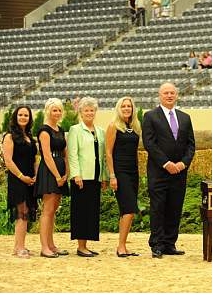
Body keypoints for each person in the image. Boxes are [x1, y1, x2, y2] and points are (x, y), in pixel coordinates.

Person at [142, 82, 195, 258]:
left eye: (172, 93)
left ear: (177, 95)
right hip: (159, 172)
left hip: (179, 172)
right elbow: (149, 143)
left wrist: (182, 164)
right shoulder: (150, 116)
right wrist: (166, 163)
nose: (169, 95)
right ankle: (156, 244)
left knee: (174, 207)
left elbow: (191, 146)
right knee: (158, 208)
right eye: (166, 93)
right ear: (160, 95)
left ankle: (169, 243)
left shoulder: (185, 117)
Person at [67, 97, 108, 257]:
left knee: (91, 212)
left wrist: (103, 176)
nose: (89, 113)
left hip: (95, 177)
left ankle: (86, 245)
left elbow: (103, 156)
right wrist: (76, 174)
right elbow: (72, 154)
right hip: (81, 178)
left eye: (92, 110)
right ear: (81, 112)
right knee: (81, 212)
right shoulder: (75, 130)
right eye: (86, 110)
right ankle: (80, 247)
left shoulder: (100, 132)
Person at [106, 96, 142, 257]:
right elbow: (108, 152)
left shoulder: (134, 127)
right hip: (120, 172)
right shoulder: (113, 126)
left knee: (127, 211)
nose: (127, 108)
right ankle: (121, 247)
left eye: (129, 106)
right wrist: (112, 175)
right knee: (129, 209)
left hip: (133, 172)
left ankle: (123, 246)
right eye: (124, 106)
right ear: (118, 108)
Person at [34, 98, 69, 258]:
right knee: (47, 210)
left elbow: (65, 152)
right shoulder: (44, 130)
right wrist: (57, 176)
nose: (57, 113)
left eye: (59, 110)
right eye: (54, 110)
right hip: (49, 171)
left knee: (54, 209)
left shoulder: (60, 129)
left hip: (60, 170)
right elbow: (46, 156)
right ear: (48, 111)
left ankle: (52, 244)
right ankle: (44, 247)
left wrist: (66, 172)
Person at [3, 106, 37, 258]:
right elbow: (8, 161)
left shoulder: (29, 136)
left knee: (26, 212)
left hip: (30, 180)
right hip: (18, 179)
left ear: (29, 118)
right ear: (15, 117)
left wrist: (36, 175)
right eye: (20, 115)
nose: (23, 117)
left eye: (26, 115)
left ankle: (18, 247)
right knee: (21, 212)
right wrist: (22, 176)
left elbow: (34, 159)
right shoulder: (9, 137)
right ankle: (20, 248)